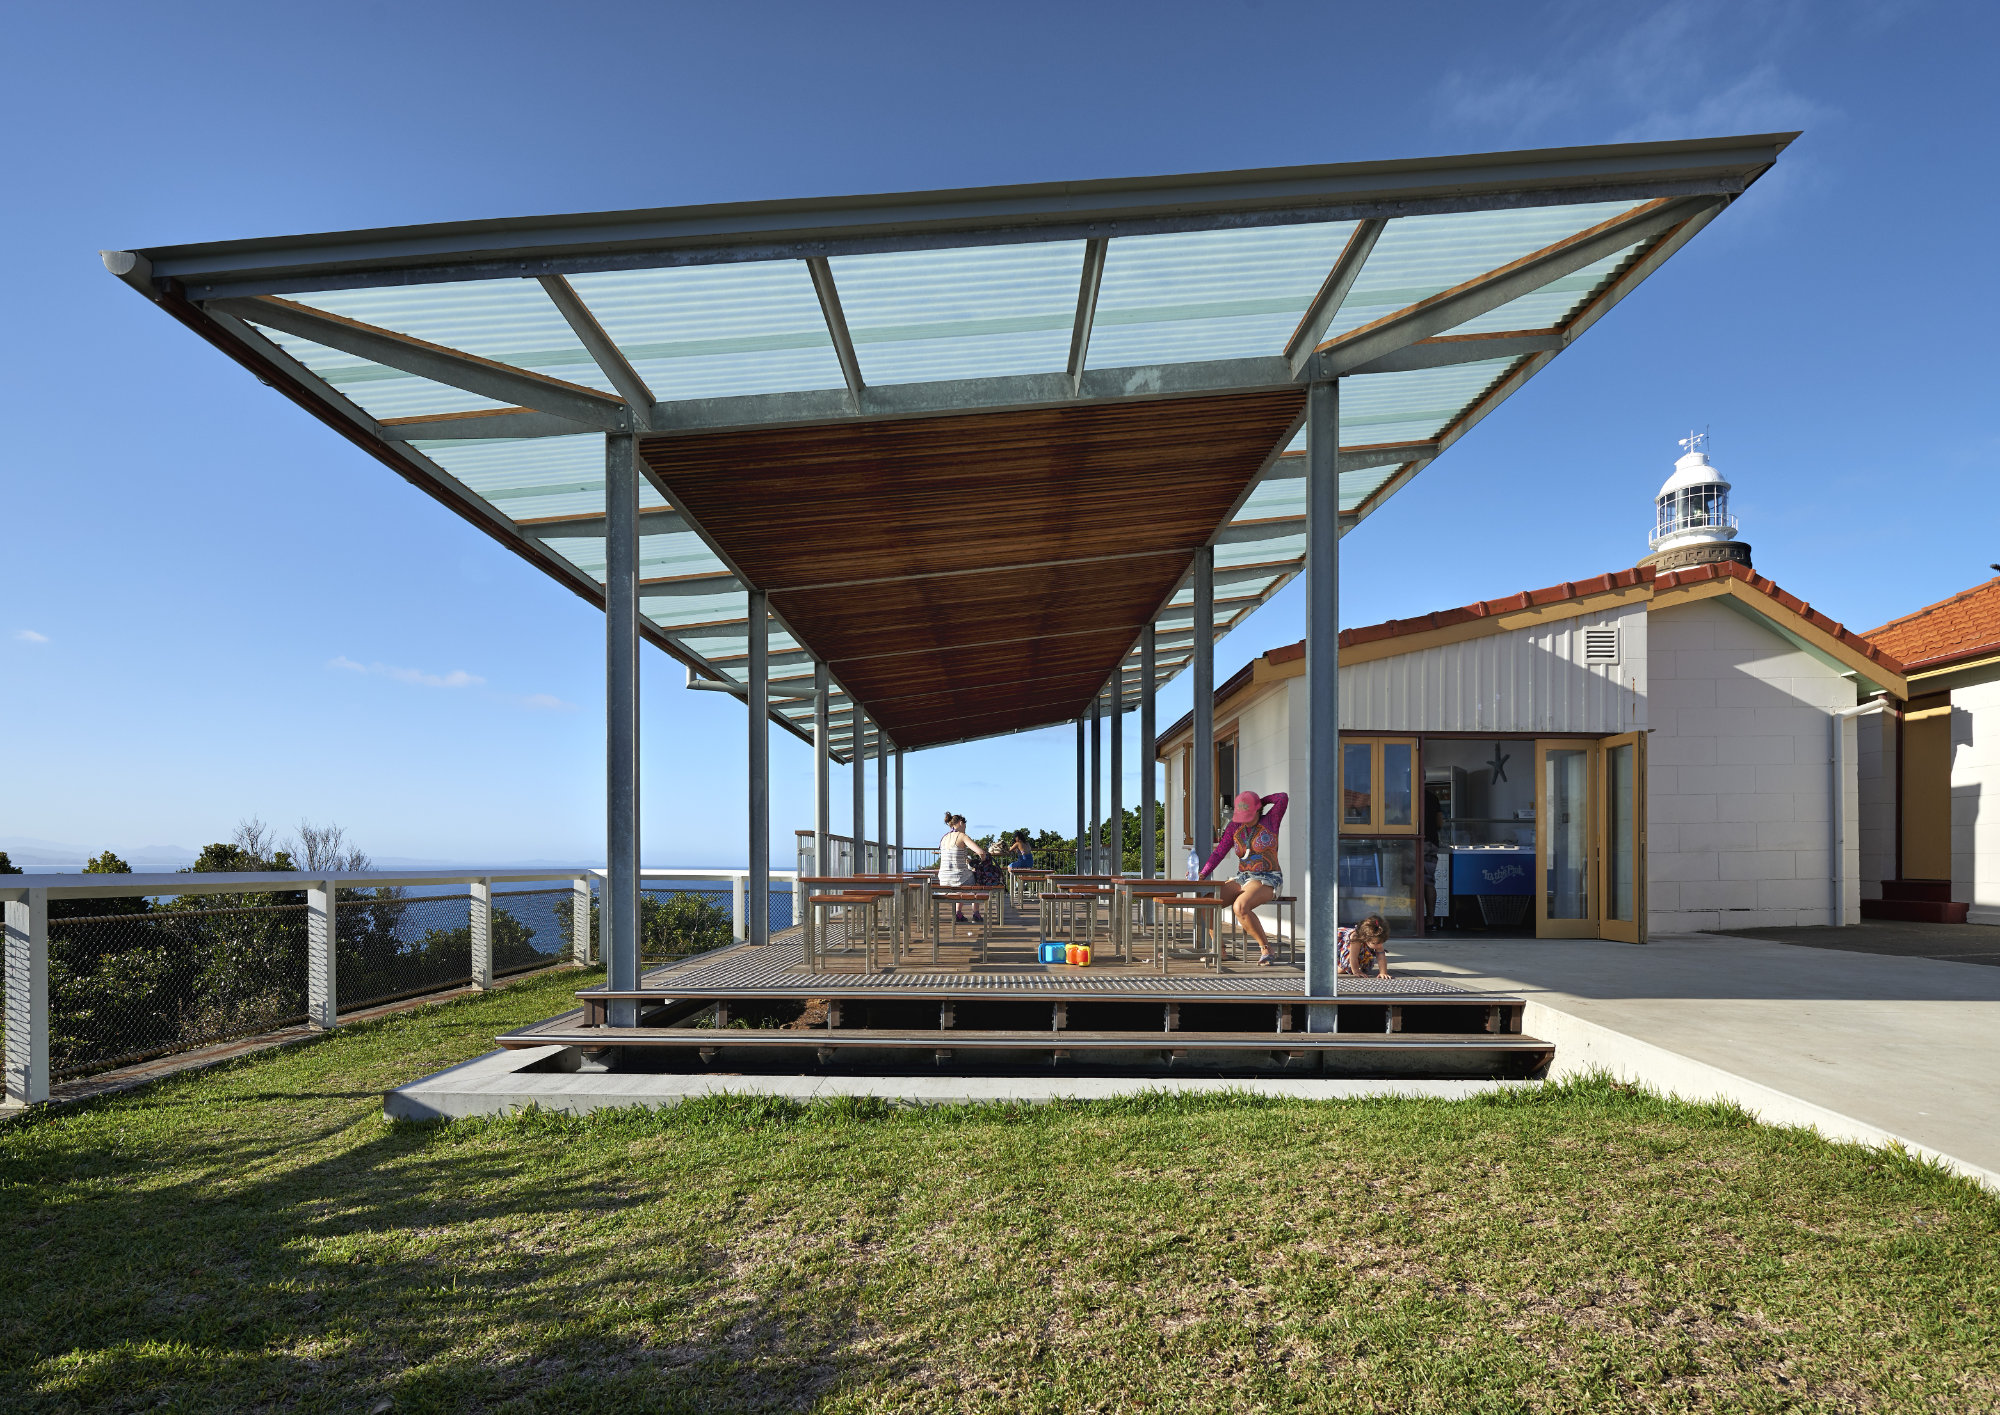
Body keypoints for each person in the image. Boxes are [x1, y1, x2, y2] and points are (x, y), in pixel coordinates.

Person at [1195, 789, 1287, 965]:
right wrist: (1203, 873)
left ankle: (1266, 948)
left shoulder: (1271, 821)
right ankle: (1219, 950)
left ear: (1258, 811)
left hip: (1267, 877)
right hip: (1242, 877)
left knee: (1240, 906)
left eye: (1248, 814)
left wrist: (1261, 800)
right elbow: (1219, 852)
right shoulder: (1234, 827)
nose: (1244, 820)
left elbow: (1282, 798)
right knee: (1207, 903)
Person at [938, 813, 987, 923]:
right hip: (957, 878)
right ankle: (976, 913)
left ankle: (959, 913)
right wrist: (982, 861)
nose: (965, 828)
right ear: (960, 823)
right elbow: (980, 852)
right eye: (965, 825)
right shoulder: (962, 836)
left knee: (964, 879)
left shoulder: (944, 838)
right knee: (977, 879)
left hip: (943, 879)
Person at [1338, 914, 1392, 978]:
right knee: (1343, 969)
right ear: (1366, 938)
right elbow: (1353, 957)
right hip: (1338, 942)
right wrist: (1356, 971)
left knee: (1355, 965)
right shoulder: (1356, 938)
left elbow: (1381, 955)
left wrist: (1383, 973)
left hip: (1360, 946)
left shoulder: (1377, 940)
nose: (1378, 946)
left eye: (1381, 942)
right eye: (1374, 943)